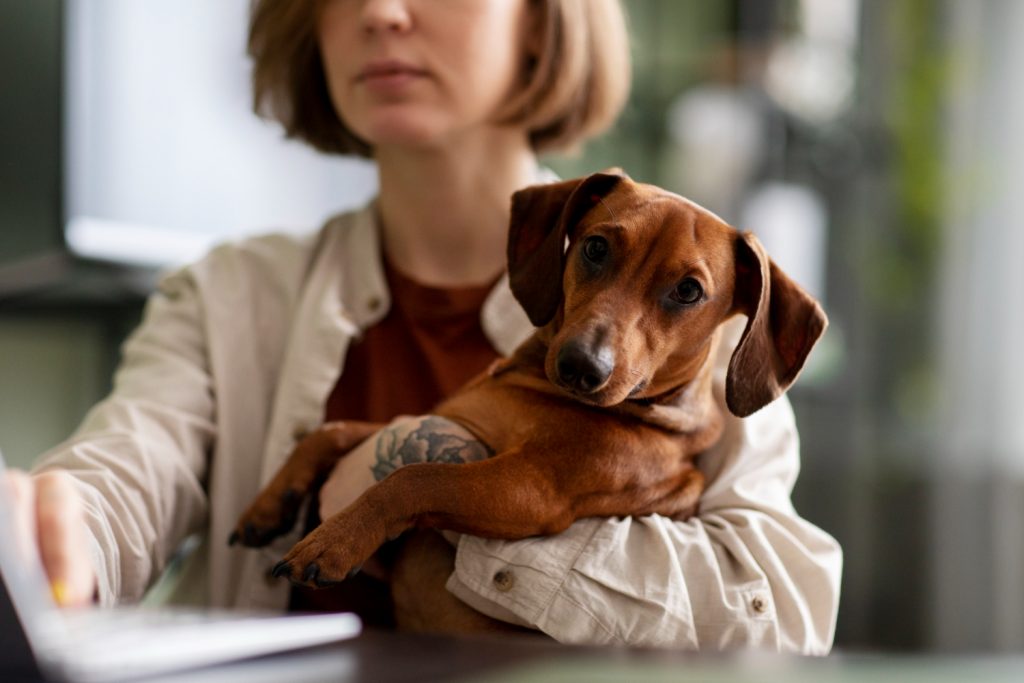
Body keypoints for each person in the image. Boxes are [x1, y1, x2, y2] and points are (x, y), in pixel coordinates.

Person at [4, 0, 841, 651]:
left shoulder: (715, 363)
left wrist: (395, 494)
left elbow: (783, 622)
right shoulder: (227, 294)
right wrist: (45, 526)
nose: (381, 10)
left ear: (542, 25)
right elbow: (119, 483)